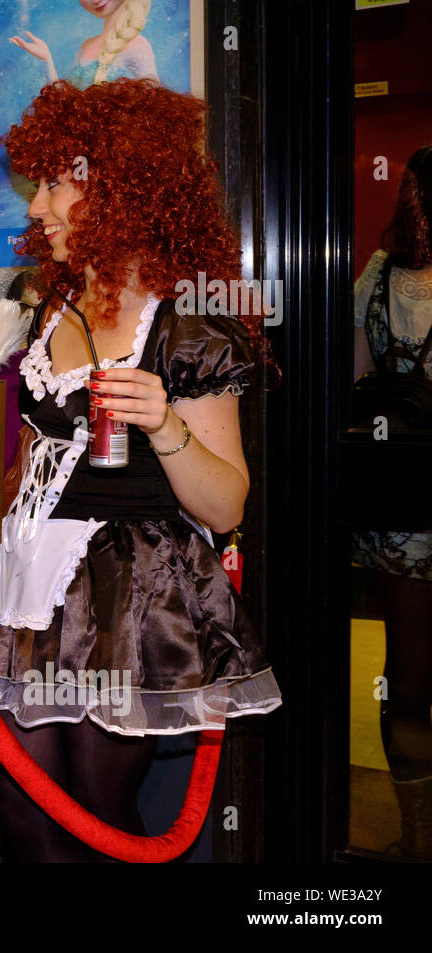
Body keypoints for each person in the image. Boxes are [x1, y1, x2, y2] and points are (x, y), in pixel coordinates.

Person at [0, 79, 282, 862]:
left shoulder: (187, 324)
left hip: (122, 605)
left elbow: (227, 504)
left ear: (121, 189)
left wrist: (164, 423)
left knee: (99, 812)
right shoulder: (50, 310)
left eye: (55, 185)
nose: (37, 208)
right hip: (25, 586)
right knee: (23, 816)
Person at [352, 144, 432, 859]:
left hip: (399, 502)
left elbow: (354, 378)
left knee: (406, 671)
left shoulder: (376, 277)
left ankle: (416, 831)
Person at [11, 0, 157, 90]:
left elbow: (154, 108)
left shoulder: (138, 46)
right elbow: (65, 101)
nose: (96, 0)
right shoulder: (86, 46)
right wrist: (47, 60)